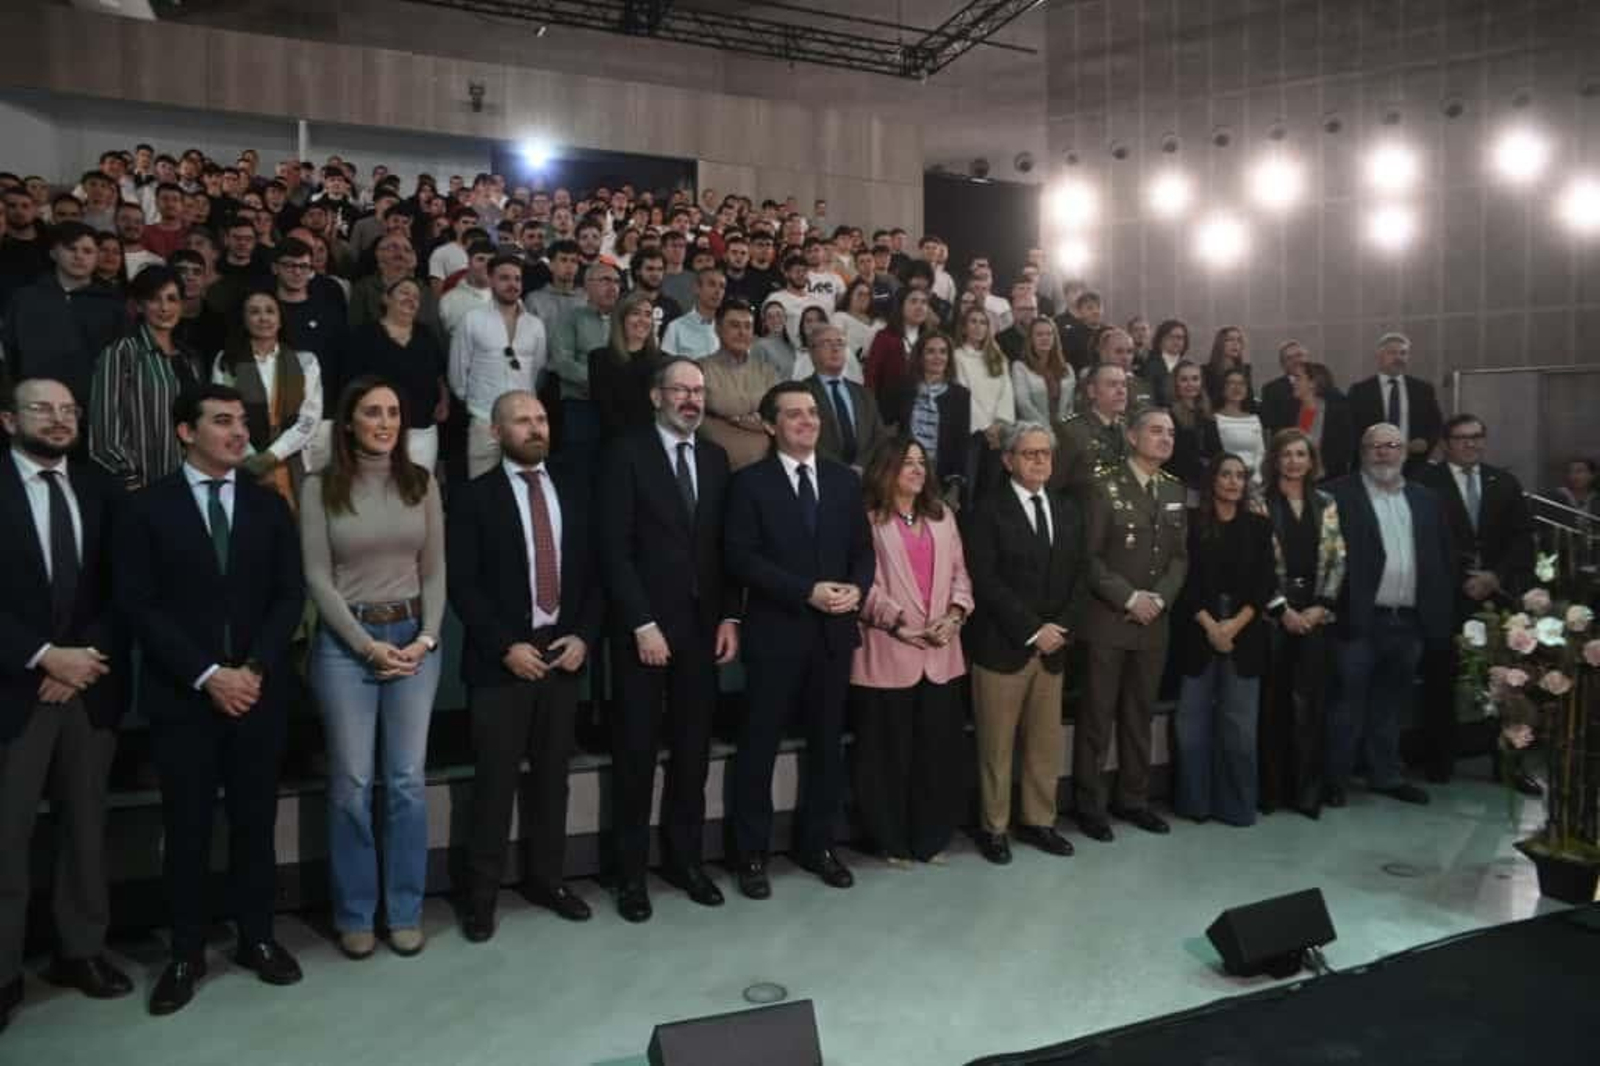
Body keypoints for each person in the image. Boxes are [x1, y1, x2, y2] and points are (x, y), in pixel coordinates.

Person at [115, 384, 307, 1015]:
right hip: (184, 698)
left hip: (257, 692)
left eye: (243, 423)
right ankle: (186, 953)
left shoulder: (267, 505)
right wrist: (207, 674)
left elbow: (288, 596)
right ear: (184, 432)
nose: (237, 432)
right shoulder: (147, 509)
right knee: (188, 828)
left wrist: (251, 668)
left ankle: (258, 938)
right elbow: (139, 606)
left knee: (255, 824)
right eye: (221, 421)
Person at [446, 391, 602, 942]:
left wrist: (584, 634)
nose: (536, 428)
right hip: (502, 661)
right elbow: (463, 586)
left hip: (563, 654)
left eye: (540, 419)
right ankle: (482, 897)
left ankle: (548, 880)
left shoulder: (575, 487)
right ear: (495, 432)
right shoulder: (471, 497)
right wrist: (504, 645)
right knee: (494, 783)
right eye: (522, 420)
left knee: (553, 781)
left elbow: (595, 571)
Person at [0, 379, 132, 1031]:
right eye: (42, 409)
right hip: (14, 688)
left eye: (68, 411)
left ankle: (80, 951)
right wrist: (42, 656)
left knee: (86, 827)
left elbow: (123, 587)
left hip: (89, 684)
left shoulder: (100, 487)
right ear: (7, 419)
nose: (58, 420)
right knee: (7, 835)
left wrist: (82, 658)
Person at [300, 377, 445, 960]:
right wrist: (365, 646)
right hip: (346, 644)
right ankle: (356, 912)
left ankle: (405, 910)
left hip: (413, 639)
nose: (384, 422)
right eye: (371, 413)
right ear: (349, 422)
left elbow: (434, 571)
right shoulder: (321, 486)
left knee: (408, 783)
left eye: (392, 412)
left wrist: (428, 638)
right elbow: (316, 576)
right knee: (353, 784)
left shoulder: (420, 482)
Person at [600, 358, 740, 922]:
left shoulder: (714, 457)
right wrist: (641, 622)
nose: (692, 398)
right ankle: (629, 873)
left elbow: (723, 548)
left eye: (699, 390)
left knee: (692, 752)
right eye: (681, 389)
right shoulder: (624, 453)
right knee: (635, 753)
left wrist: (731, 617)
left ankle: (685, 861)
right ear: (657, 396)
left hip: (703, 631)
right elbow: (612, 548)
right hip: (644, 633)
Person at [724, 381, 875, 899]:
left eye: (812, 413)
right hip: (776, 634)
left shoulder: (842, 481)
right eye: (794, 415)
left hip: (833, 634)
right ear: (770, 425)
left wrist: (856, 589)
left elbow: (863, 551)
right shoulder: (749, 484)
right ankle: (750, 854)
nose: (808, 421)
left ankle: (819, 846)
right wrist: (805, 591)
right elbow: (741, 558)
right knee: (758, 747)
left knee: (827, 748)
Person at [963, 423, 1086, 863]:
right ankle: (994, 828)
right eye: (1029, 454)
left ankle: (1039, 821)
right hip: (1003, 647)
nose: (1039, 461)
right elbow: (987, 580)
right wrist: (1034, 629)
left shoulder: (1067, 510)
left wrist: (1060, 630)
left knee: (1044, 746)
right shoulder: (986, 511)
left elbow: (1080, 576)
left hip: (1054, 649)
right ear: (1008, 460)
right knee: (996, 747)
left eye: (1045, 454)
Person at [851, 437, 973, 866]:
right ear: (886, 469)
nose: (918, 470)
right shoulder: (866, 520)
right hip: (887, 652)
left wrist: (955, 616)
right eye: (907, 463)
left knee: (936, 753)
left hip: (941, 652)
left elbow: (961, 574)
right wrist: (898, 624)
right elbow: (861, 583)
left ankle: (931, 838)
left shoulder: (944, 518)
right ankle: (890, 840)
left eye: (922, 462)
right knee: (887, 756)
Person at [1075, 407, 1188, 841]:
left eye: (1171, 432)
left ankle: (1134, 799)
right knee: (1097, 717)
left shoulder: (1174, 489)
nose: (1165, 438)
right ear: (1133, 436)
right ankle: (1090, 805)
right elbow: (1089, 557)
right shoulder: (1102, 485)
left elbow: (1180, 556)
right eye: (1156, 430)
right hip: (1108, 619)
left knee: (1139, 715)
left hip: (1154, 622)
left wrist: (1160, 598)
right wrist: (1129, 597)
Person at [1326, 423, 1454, 808]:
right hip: (1358, 620)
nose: (1385, 453)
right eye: (1376, 446)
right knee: (1346, 704)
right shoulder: (1336, 494)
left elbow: (1443, 558)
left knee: (1391, 704)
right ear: (1362, 451)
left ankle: (1385, 775)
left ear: (1404, 452)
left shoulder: (1426, 499)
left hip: (1409, 621)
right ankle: (1334, 779)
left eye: (1393, 445)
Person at [1414, 414, 1538, 789]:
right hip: (1447, 598)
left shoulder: (1504, 482)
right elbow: (1420, 541)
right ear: (1445, 442)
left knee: (1508, 682)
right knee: (1441, 679)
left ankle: (1509, 764)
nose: (1471, 444)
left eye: (1477, 437)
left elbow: (1522, 539)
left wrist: (1494, 577)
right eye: (1462, 437)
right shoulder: (1424, 483)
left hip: (1497, 597)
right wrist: (1460, 579)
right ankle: (1439, 760)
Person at [1171, 453, 1276, 826]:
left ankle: (1236, 806)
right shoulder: (1190, 526)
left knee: (1240, 725)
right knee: (1191, 723)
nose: (1233, 482)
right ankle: (1195, 804)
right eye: (1225, 474)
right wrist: (1211, 626)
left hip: (1244, 631)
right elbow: (1183, 584)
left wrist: (1232, 627)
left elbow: (1265, 585)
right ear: (1212, 480)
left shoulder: (1259, 527)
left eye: (1239, 476)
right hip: (1197, 627)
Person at [1260, 428, 1345, 819]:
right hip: (1273, 613)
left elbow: (1337, 559)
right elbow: (1256, 562)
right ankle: (1273, 790)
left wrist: (1319, 608)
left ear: (1311, 460)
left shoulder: (1326, 502)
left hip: (1314, 612)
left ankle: (1308, 792)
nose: (1294, 461)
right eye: (1286, 454)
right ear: (1275, 459)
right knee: (1274, 704)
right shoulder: (1259, 503)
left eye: (1301, 454)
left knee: (1311, 707)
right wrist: (1282, 610)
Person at [88, 266, 202, 491]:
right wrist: (133, 483)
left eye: (172, 299)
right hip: (141, 487)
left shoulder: (190, 359)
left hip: (189, 485)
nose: (164, 308)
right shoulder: (122, 352)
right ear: (139, 306)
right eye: (154, 299)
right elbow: (105, 435)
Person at [211, 291, 324, 507]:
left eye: (270, 311)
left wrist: (272, 456)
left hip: (292, 459)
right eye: (254, 312)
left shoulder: (305, 361)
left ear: (280, 319)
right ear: (244, 320)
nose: (263, 318)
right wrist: (251, 458)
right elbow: (221, 414)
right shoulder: (226, 360)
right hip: (239, 459)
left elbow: (309, 419)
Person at [2, 222, 125, 407]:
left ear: (96, 257)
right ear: (53, 253)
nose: (79, 256)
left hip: (94, 408)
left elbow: (122, 363)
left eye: (87, 251)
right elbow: (10, 354)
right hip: (33, 405)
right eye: (70, 248)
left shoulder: (113, 304)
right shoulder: (25, 299)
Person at [338, 277, 451, 473]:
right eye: (404, 293)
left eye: (416, 296)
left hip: (421, 428)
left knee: (419, 488)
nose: (411, 299)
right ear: (386, 298)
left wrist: (444, 401)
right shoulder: (364, 335)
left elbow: (439, 374)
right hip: (379, 428)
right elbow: (351, 382)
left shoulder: (426, 335)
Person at [449, 255, 546, 476]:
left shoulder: (535, 325)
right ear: (491, 279)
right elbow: (457, 369)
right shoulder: (471, 319)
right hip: (484, 418)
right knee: (481, 487)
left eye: (517, 279)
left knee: (522, 483)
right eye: (504, 278)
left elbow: (538, 370)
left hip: (524, 419)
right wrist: (473, 403)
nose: (512, 284)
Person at [547, 259, 622, 481]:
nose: (613, 287)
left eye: (617, 281)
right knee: (580, 475)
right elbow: (563, 363)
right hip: (581, 408)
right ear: (587, 286)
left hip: (617, 411)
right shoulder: (571, 318)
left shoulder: (624, 321)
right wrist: (603, 383)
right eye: (605, 280)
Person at [881, 331, 971, 503]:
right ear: (920, 356)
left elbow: (961, 443)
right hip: (902, 470)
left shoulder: (960, 395)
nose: (938, 357)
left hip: (940, 476)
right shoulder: (902, 388)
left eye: (943, 352)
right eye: (930, 351)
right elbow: (886, 426)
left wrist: (955, 484)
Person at [1347, 332, 1443, 477]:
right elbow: (1350, 429)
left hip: (1414, 465)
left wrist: (1426, 442)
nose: (1398, 358)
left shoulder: (1423, 389)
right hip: (1373, 465)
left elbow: (1436, 424)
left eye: (1403, 353)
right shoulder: (1360, 391)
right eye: (1392, 353)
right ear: (1379, 357)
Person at [699, 299, 780, 471]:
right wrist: (757, 416)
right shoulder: (701, 369)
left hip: (768, 466)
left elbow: (777, 415)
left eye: (748, 326)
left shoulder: (767, 371)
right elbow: (717, 404)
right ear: (718, 329)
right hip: (720, 468)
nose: (742, 332)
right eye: (735, 325)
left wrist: (735, 419)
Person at [952, 305, 1015, 503]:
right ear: (963, 327)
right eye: (973, 321)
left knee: (991, 488)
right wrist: (986, 427)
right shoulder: (957, 356)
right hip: (972, 433)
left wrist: (998, 424)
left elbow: (1006, 392)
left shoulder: (998, 357)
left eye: (983, 322)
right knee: (969, 489)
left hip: (997, 433)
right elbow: (962, 393)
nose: (978, 327)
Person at [803, 323, 887, 469]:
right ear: (812, 352)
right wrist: (842, 470)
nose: (835, 349)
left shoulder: (863, 393)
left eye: (840, 343)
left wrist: (860, 466)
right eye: (826, 343)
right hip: (822, 475)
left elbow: (878, 437)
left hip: (864, 476)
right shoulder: (801, 392)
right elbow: (803, 437)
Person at [589, 290, 666, 441]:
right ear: (621, 318)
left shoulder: (663, 361)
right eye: (635, 313)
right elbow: (605, 412)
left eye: (648, 314)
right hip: (616, 443)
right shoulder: (599, 359)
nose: (643, 320)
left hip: (655, 443)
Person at [1052, 363, 1128, 498]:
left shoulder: (1130, 428)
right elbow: (1055, 486)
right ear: (1092, 391)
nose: (1121, 391)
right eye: (1112, 384)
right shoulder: (1070, 431)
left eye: (1123, 385)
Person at [864, 287, 933, 409]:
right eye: (913, 301)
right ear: (901, 306)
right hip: (890, 415)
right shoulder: (884, 337)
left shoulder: (932, 339)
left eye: (924, 302)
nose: (920, 307)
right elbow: (871, 378)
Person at [1286, 360, 1353, 480]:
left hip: (1328, 479)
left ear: (1312, 383)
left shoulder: (1336, 412)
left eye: (1298, 378)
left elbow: (1343, 452)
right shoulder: (1291, 410)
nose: (1293, 382)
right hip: (1295, 476)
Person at [1163, 359, 1213, 500]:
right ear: (1175, 384)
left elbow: (1215, 451)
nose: (1190, 384)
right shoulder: (1168, 416)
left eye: (1195, 379)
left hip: (1206, 485)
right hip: (1178, 485)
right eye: (1184, 380)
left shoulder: (1207, 415)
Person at [1011, 317, 1075, 425]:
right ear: (1031, 339)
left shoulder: (1067, 369)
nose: (1045, 338)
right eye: (1039, 334)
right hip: (1034, 430)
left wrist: (1065, 431)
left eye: (1049, 334)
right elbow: (1023, 404)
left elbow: (1069, 406)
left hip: (1063, 430)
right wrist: (1047, 430)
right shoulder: (1020, 367)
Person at [1212, 366, 1266, 486]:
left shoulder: (1254, 419)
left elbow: (1260, 453)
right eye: (1231, 383)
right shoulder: (1214, 420)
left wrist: (1256, 478)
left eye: (1241, 383)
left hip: (1255, 482)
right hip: (1226, 480)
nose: (1237, 387)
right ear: (1223, 388)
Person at [660, 267, 727, 359]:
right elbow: (667, 368)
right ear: (696, 288)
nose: (718, 291)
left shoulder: (727, 329)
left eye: (722, 286)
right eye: (712, 284)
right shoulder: (676, 328)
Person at [1258, 339, 1309, 435]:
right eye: (1289, 358)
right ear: (1283, 365)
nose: (1296, 361)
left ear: (1306, 358)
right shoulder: (1271, 389)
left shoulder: (1321, 383)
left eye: (1299, 355)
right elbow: (1267, 423)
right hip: (1287, 443)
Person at [1202, 325, 1253, 410]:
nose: (1235, 343)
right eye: (1230, 340)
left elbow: (1249, 401)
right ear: (1220, 343)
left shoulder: (1246, 370)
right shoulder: (1206, 371)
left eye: (1239, 340)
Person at [1142, 318, 1189, 408]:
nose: (1176, 341)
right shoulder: (1150, 366)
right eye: (1170, 337)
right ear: (1160, 339)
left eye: (1180, 338)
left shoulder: (1189, 365)